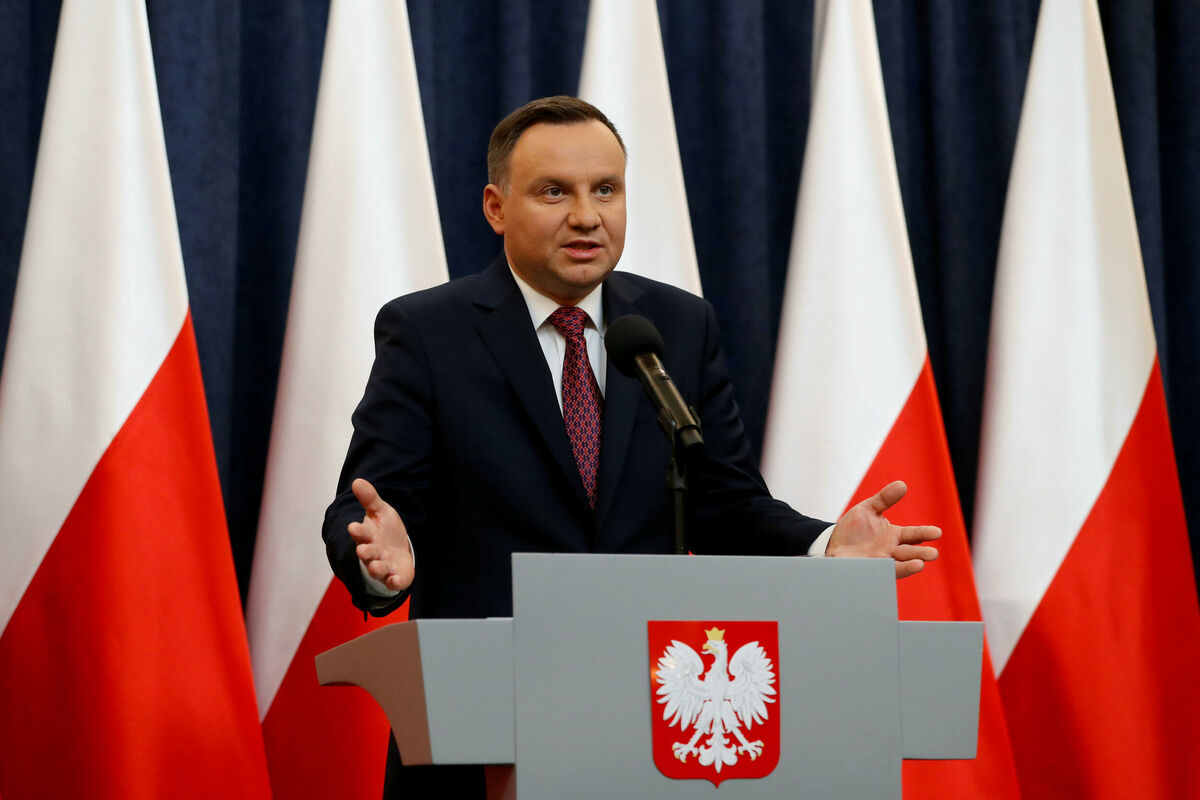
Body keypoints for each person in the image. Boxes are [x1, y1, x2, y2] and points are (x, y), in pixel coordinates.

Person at [322, 96, 940, 796]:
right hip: (482, 736)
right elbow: (368, 506)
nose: (587, 216)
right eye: (554, 191)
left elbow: (724, 503)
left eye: (606, 190)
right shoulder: (429, 332)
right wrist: (381, 559)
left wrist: (824, 545)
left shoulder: (675, 325)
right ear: (496, 208)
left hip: (647, 731)